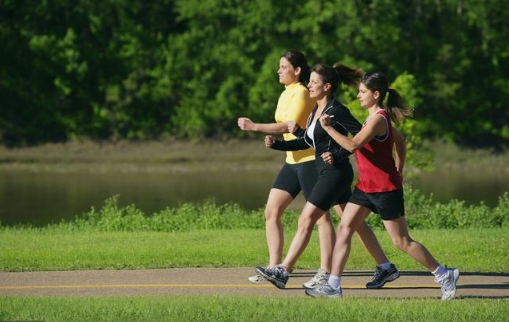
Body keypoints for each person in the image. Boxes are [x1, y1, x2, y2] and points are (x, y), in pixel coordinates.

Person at [305, 72, 459, 300]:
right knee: (345, 228)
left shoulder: (378, 119)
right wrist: (400, 167)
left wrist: (328, 128)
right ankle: (333, 286)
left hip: (385, 189)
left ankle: (444, 274)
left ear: (376, 94)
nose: (358, 95)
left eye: (363, 92)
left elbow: (354, 144)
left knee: (401, 241)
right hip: (366, 187)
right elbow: (400, 140)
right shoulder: (371, 119)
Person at [256, 63, 401, 289]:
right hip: (328, 171)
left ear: (327, 86)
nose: (309, 85)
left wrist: (338, 153)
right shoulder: (316, 110)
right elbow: (308, 141)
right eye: (310, 81)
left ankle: (283, 271)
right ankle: (385, 267)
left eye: (314, 82)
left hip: (335, 174)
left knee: (306, 218)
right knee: (354, 223)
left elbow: (358, 138)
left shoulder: (337, 111)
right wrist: (277, 145)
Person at [238, 50, 337, 288]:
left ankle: (326, 271)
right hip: (292, 161)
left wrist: (255, 127)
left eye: (283, 67)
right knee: (271, 211)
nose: (279, 70)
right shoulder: (286, 93)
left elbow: (286, 125)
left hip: (309, 161)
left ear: (297, 70)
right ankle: (274, 267)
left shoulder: (302, 93)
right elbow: (287, 127)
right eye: (279, 67)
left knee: (321, 218)